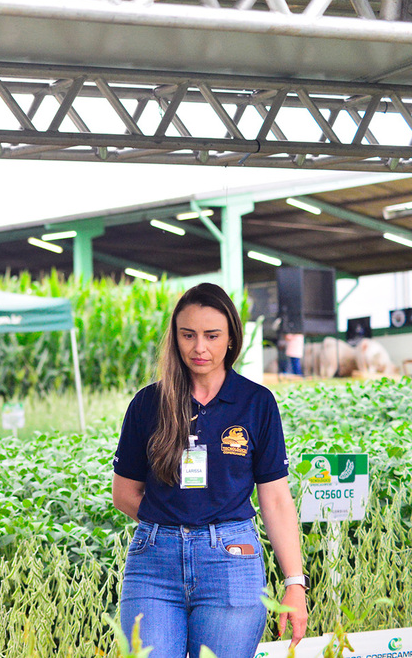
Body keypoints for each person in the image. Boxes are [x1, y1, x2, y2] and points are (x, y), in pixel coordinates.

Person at [112, 282, 308, 658]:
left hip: (231, 561)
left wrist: (294, 583)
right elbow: (124, 493)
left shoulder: (257, 403)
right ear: (175, 337)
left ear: (232, 339)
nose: (199, 347)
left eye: (211, 335)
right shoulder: (148, 404)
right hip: (154, 567)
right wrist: (171, 524)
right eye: (188, 335)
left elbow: (277, 500)